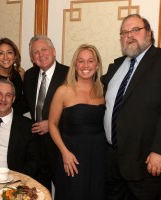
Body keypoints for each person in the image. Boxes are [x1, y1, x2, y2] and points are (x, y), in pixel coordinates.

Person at [102, 14, 161, 200]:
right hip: (114, 160)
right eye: (124, 32)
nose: (129, 35)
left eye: (135, 30)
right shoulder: (117, 66)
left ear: (149, 33)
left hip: (146, 163)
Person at [49, 44, 106, 199]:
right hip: (71, 155)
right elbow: (52, 125)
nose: (85, 66)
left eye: (90, 61)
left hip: (98, 155)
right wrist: (65, 152)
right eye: (81, 61)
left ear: (97, 64)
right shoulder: (64, 91)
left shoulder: (103, 91)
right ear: (75, 65)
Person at [19, 35, 69, 191]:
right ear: (32, 58)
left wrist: (53, 124)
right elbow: (25, 103)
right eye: (35, 52)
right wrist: (2, 107)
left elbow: (76, 110)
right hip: (37, 146)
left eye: (44, 50)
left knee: (63, 190)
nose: (40, 55)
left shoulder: (68, 74)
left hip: (60, 145)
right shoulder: (29, 75)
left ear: (53, 52)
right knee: (38, 190)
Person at [0, 79, 39, 178]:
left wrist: (17, 182)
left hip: (8, 184)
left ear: (13, 99)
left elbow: (33, 162)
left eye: (8, 95)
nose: (3, 99)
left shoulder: (27, 127)